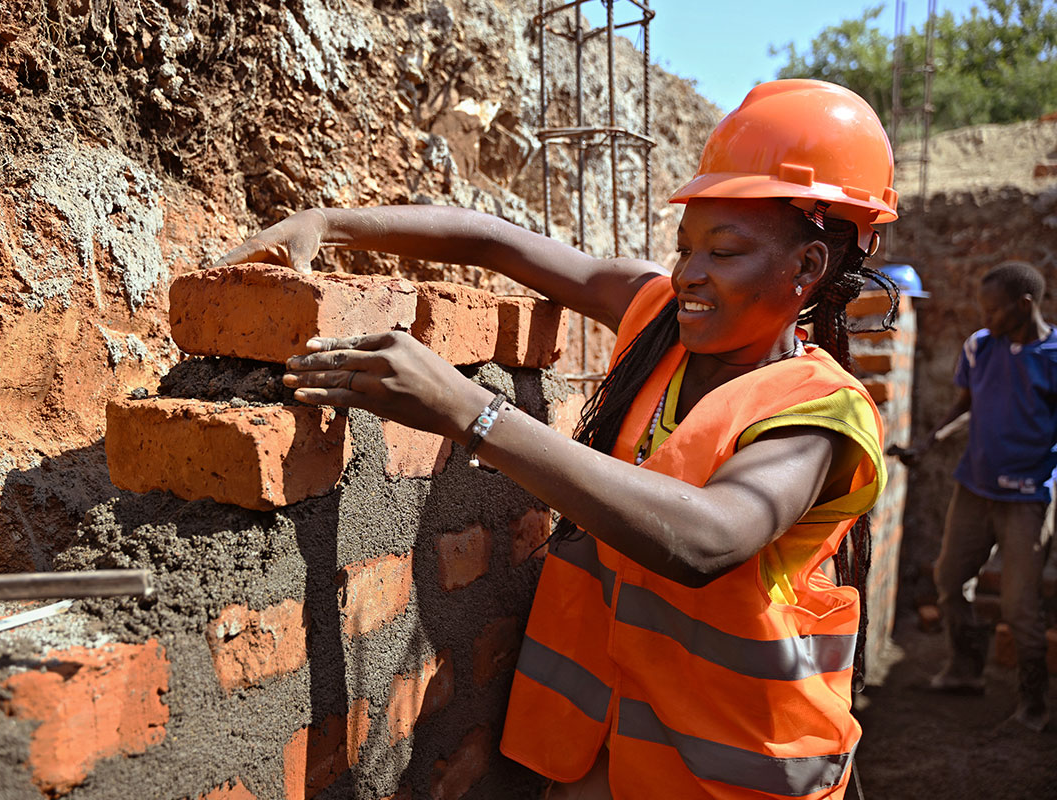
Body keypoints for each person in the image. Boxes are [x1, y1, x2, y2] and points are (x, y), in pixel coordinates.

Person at [219, 80, 897, 799]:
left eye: (723, 253)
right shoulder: (660, 323)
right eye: (685, 245)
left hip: (743, 775)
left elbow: (707, 539)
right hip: (602, 760)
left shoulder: (821, 416)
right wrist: (330, 224)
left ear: (808, 269)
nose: (688, 274)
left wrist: (469, 411)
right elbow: (496, 242)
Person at [894, 261, 1054, 733]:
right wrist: (929, 442)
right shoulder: (981, 347)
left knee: (1020, 606)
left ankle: (1034, 703)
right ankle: (965, 670)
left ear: (1024, 306)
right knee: (949, 578)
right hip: (974, 486)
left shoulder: (1053, 356)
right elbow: (967, 404)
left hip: (1027, 496)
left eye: (994, 311)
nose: (986, 319)